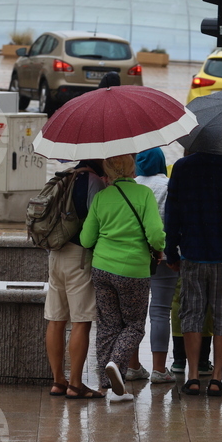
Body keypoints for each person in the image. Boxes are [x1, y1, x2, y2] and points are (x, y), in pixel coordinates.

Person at [80, 154, 165, 402]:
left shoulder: (102, 197)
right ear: (132, 169)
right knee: (134, 325)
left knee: (107, 325)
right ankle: (116, 365)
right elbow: (155, 234)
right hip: (133, 271)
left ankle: (106, 382)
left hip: (102, 268)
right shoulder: (143, 194)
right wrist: (159, 248)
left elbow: (86, 239)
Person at [165, 150, 222, 397]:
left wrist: (171, 250)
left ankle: (192, 376)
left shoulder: (182, 166)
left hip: (192, 251)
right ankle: (217, 377)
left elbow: (172, 211)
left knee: (191, 313)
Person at [44, 159, 105, 399]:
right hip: (79, 254)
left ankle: (58, 380)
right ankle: (76, 384)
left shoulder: (63, 177)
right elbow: (95, 222)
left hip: (55, 253)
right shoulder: (94, 183)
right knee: (81, 320)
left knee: (56, 318)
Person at [126, 147, 176, 384]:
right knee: (160, 311)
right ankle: (159, 369)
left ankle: (133, 366)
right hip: (163, 257)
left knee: (133, 314)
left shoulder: (131, 185)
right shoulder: (168, 185)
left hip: (134, 257)